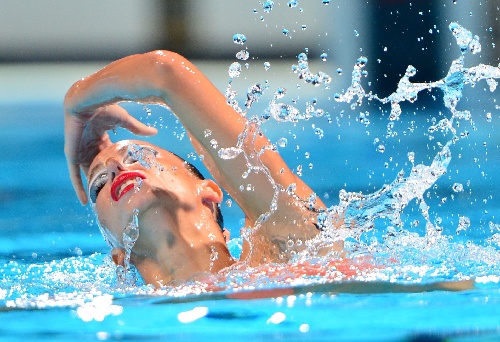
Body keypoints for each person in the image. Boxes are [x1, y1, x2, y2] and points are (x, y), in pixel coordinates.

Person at [64, 50, 338, 288]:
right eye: (99, 183)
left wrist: (78, 97)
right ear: (119, 257)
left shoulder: (284, 248)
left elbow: (165, 72)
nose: (116, 166)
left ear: (208, 193)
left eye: (138, 155)